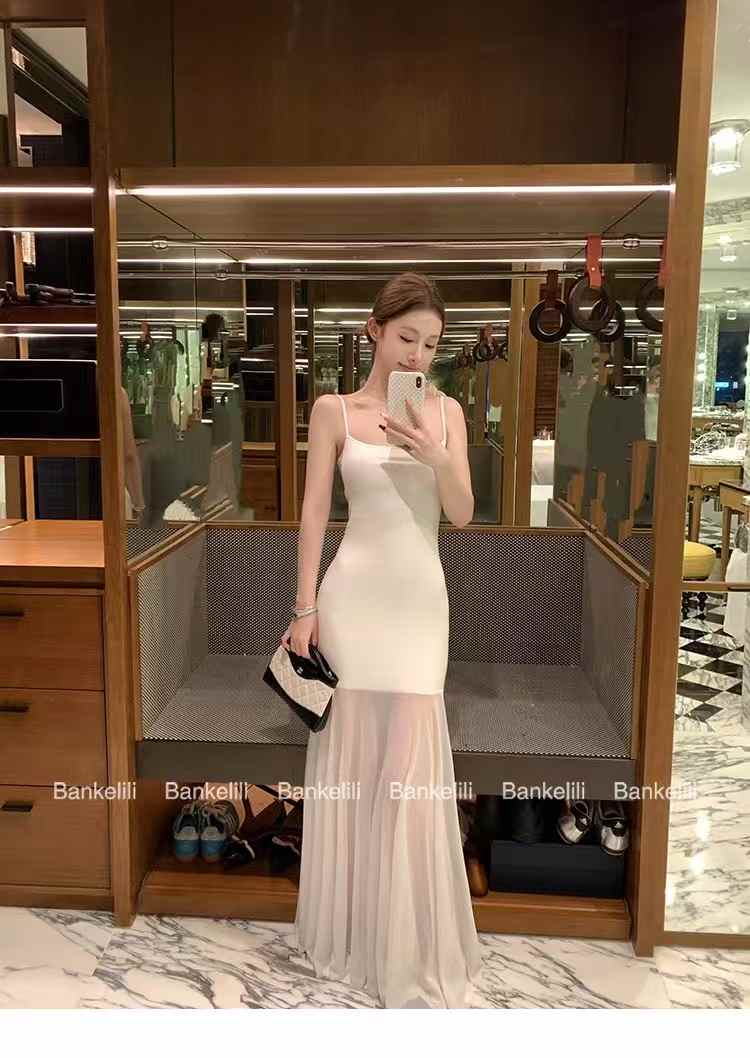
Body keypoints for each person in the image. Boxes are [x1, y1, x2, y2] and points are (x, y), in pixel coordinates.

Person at [282, 272, 487, 1008]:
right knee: (354, 762)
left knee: (407, 766)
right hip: (351, 601)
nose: (417, 357)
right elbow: (314, 513)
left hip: (419, 607)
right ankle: (352, 933)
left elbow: (461, 514)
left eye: (430, 345)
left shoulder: (447, 413)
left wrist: (436, 454)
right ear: (374, 330)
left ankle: (405, 945)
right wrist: (304, 607)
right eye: (406, 338)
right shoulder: (333, 410)